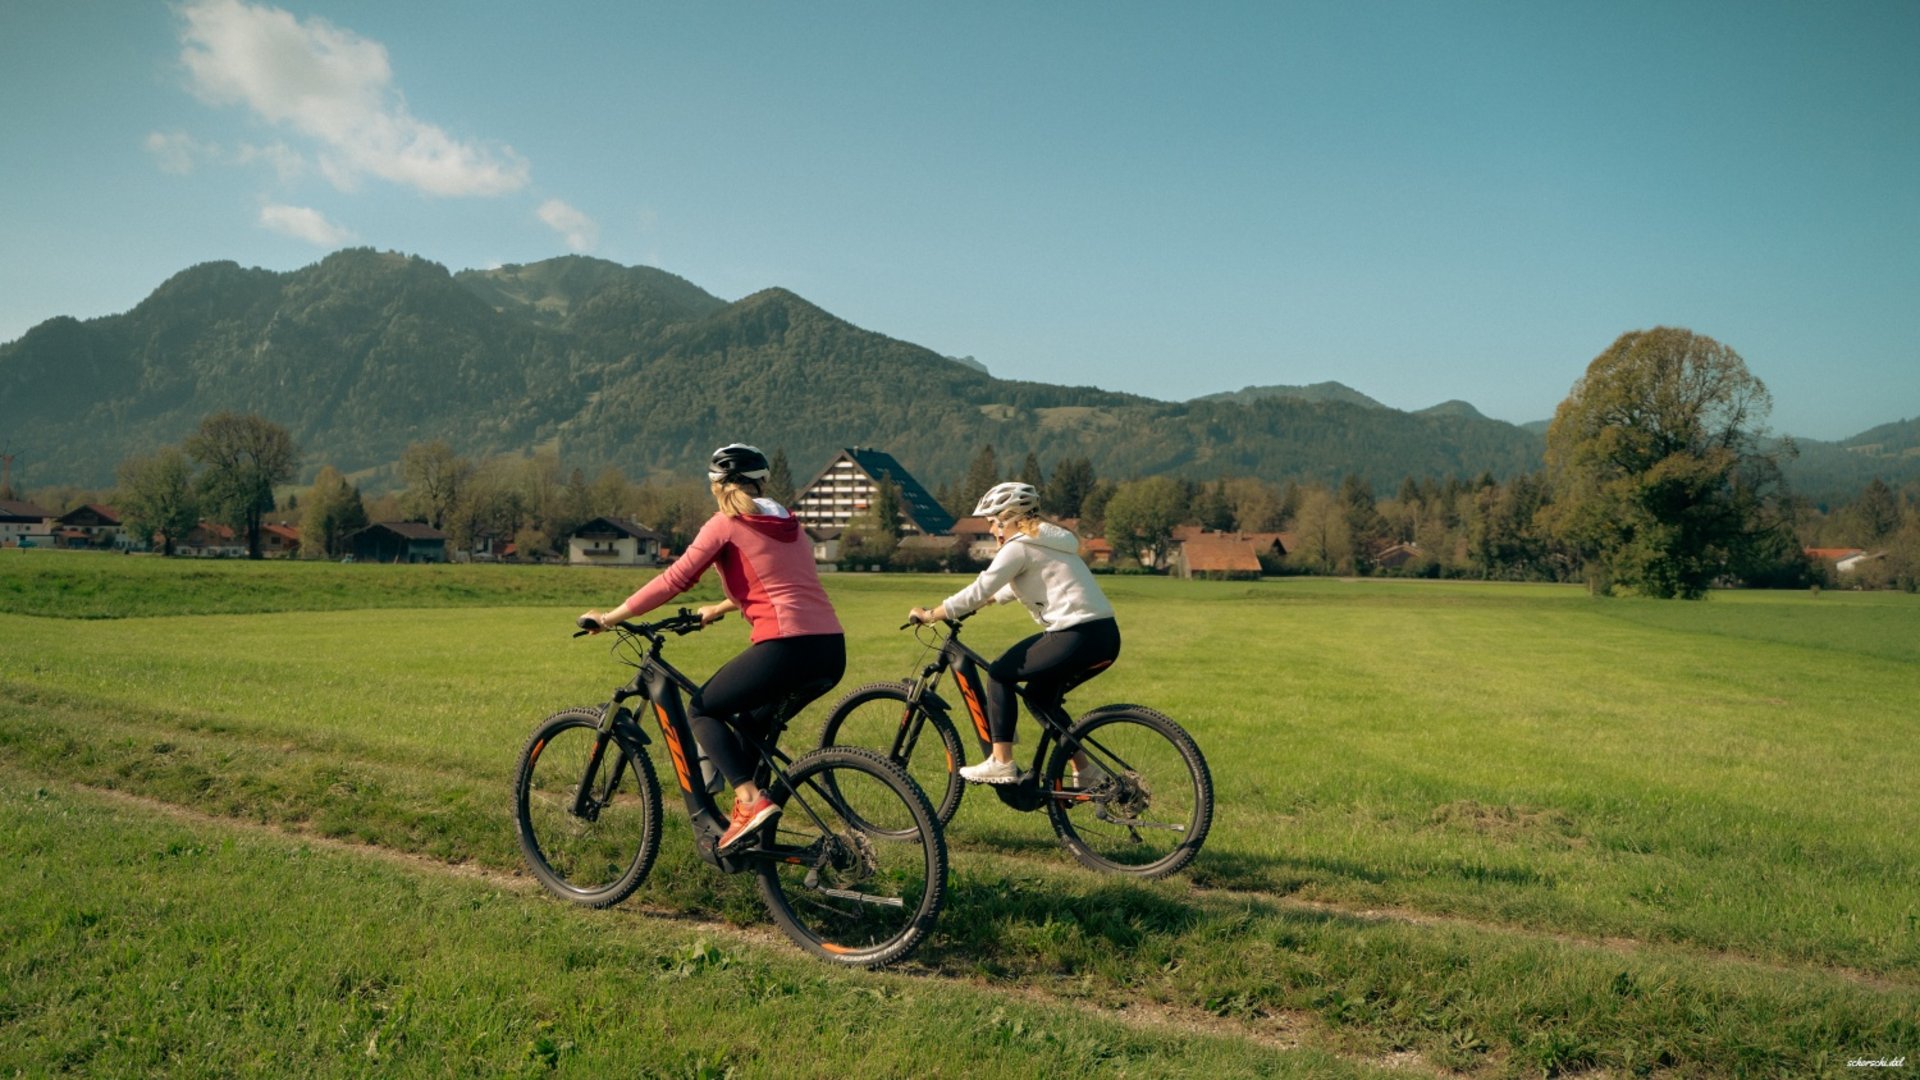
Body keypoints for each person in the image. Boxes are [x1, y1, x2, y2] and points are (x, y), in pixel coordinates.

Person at [582, 443, 846, 852]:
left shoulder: (725, 523)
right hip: (829, 649)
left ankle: (748, 801)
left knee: (703, 709)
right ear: (761, 482)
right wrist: (722, 606)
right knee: (750, 725)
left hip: (785, 647)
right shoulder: (789, 523)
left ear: (716, 485)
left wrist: (610, 617)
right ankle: (755, 840)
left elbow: (674, 579)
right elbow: (783, 583)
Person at [908, 481, 1119, 785]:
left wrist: (931, 614)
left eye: (993, 522)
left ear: (1009, 518)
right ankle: (1085, 771)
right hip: (1103, 637)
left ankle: (1001, 762)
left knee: (1000, 673)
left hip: (1076, 634)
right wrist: (984, 603)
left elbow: (980, 587)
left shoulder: (1018, 546)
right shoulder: (1048, 543)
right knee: (1038, 697)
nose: (993, 530)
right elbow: (1008, 586)